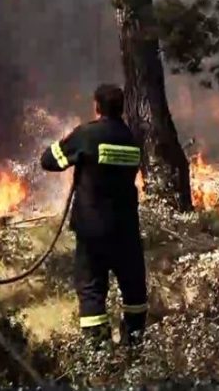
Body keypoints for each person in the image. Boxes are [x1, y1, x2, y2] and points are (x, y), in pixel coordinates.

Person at [40, 84, 147, 349]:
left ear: (97, 106)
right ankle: (134, 346)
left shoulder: (87, 134)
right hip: (126, 228)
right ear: (121, 107)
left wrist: (71, 142)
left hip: (93, 229)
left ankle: (98, 354)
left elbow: (48, 160)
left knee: (91, 290)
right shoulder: (131, 137)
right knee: (133, 289)